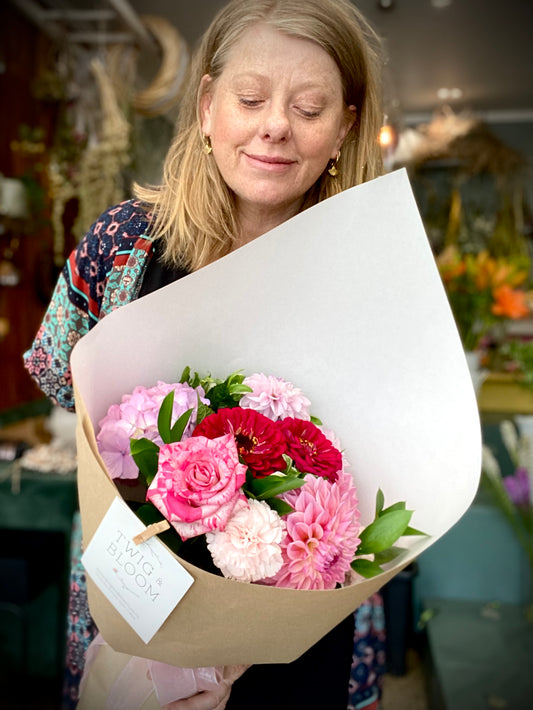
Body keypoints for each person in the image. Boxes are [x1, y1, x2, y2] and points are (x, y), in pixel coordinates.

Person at [23, 1, 385, 708]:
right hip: (139, 603)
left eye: (309, 108)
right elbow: (58, 372)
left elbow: (385, 464)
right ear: (207, 106)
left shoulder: (367, 274)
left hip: (298, 627)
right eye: (249, 99)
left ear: (344, 125)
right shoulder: (125, 242)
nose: (275, 125)